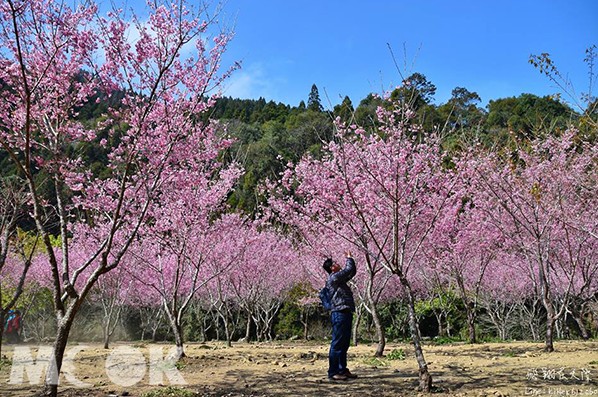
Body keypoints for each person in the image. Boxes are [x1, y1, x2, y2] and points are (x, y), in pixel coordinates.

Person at [322, 252, 357, 381]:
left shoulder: (338, 280)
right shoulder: (333, 278)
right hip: (339, 313)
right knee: (337, 343)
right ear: (331, 268)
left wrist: (351, 262)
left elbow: (351, 273)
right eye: (335, 263)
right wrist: (349, 257)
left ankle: (342, 369)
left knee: (344, 343)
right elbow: (349, 269)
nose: (338, 264)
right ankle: (333, 372)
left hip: (345, 312)